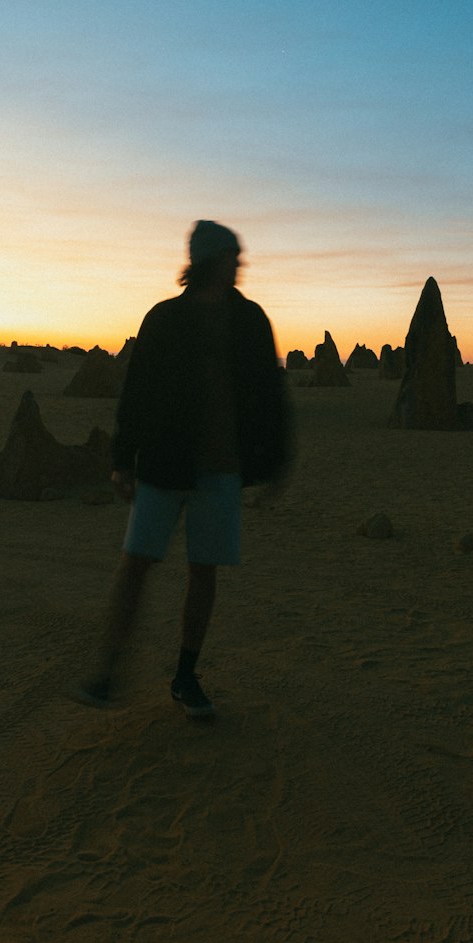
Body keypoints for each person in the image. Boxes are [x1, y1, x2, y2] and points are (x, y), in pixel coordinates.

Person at [76, 220, 291, 717]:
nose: (240, 263)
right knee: (135, 565)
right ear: (210, 260)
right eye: (233, 255)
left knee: (203, 572)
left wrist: (275, 461)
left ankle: (186, 676)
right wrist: (120, 460)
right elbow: (137, 392)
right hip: (162, 464)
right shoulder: (164, 319)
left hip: (221, 469)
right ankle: (107, 672)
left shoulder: (251, 321)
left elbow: (269, 395)